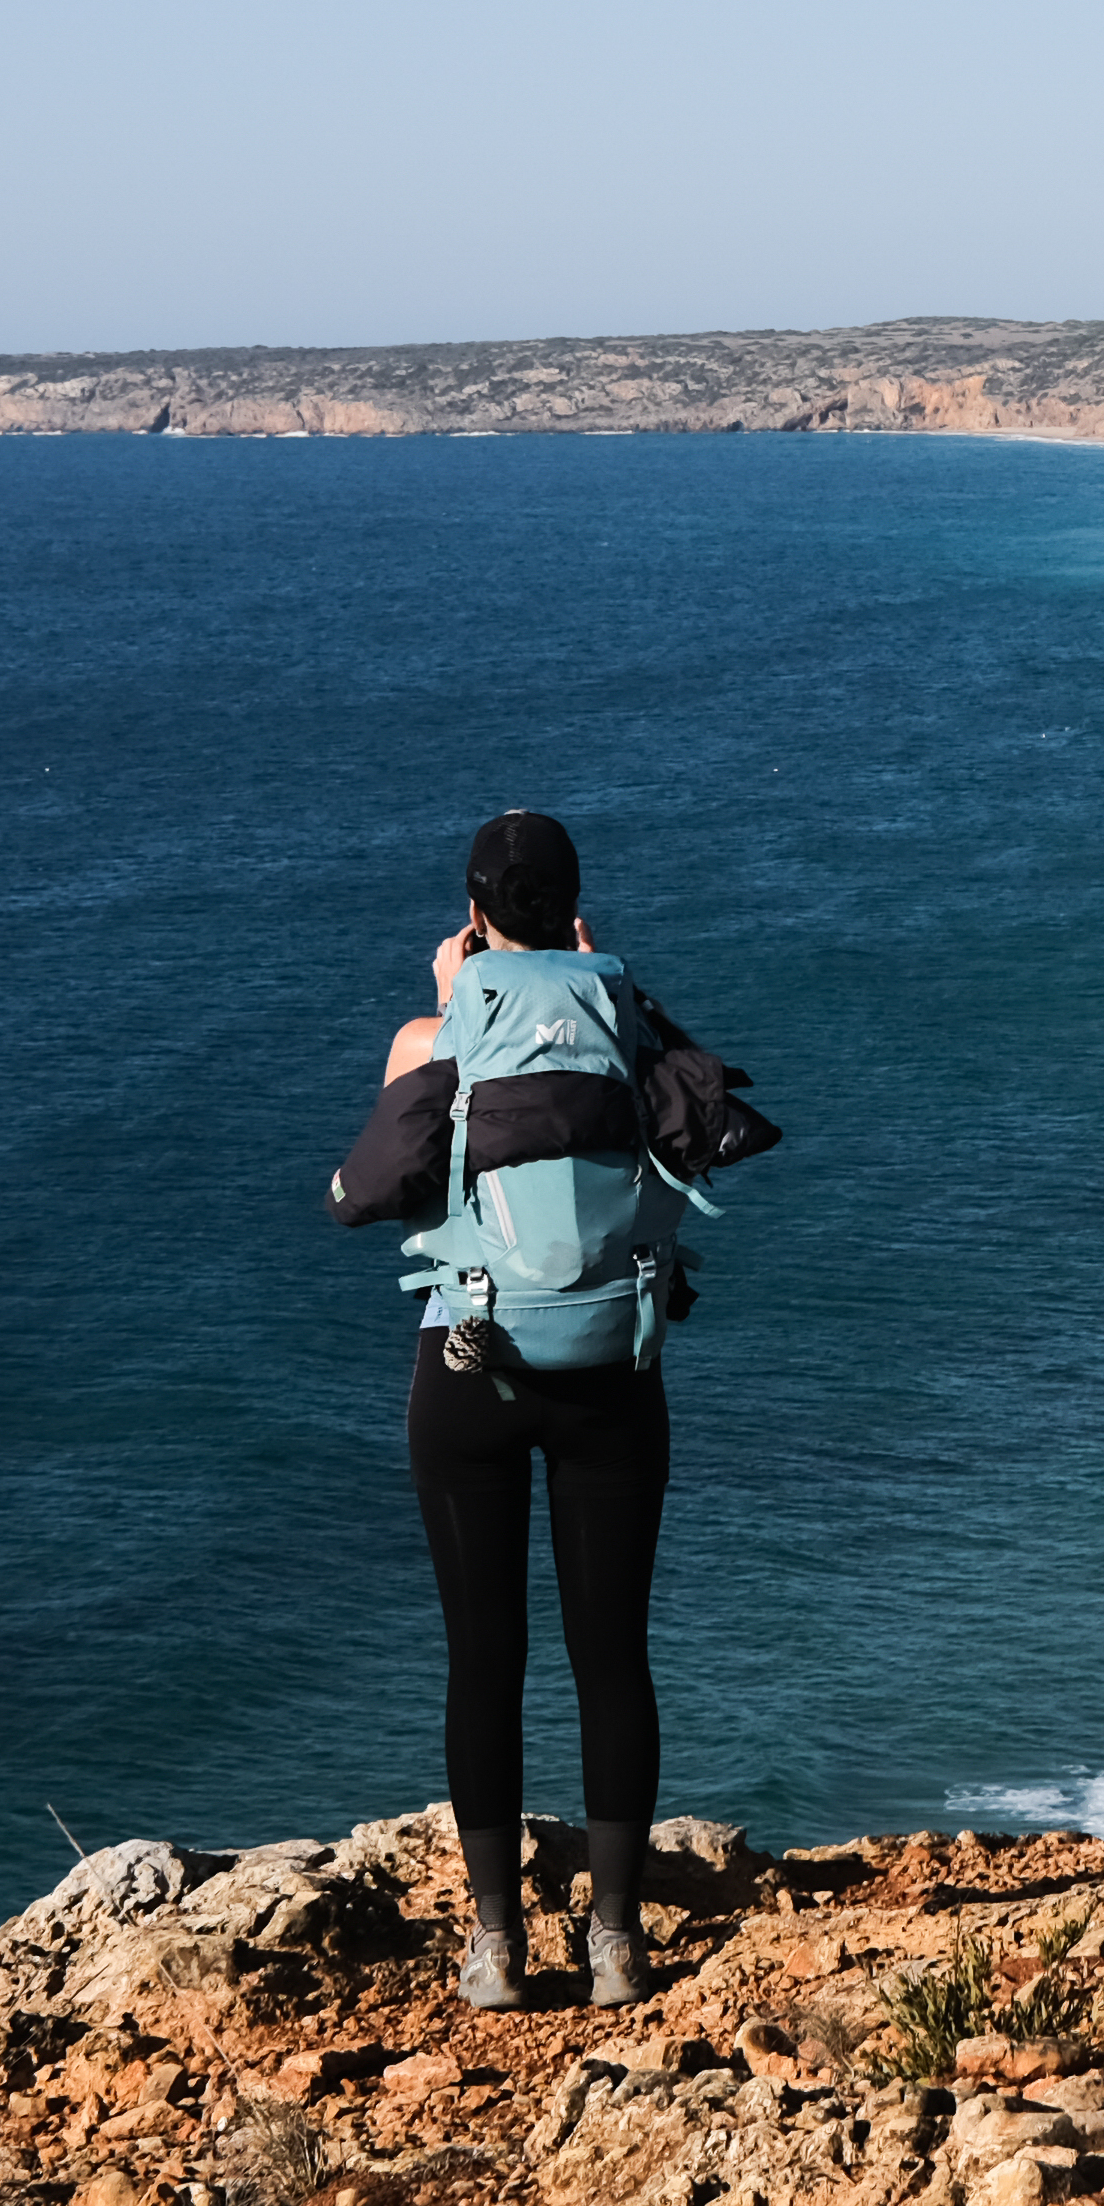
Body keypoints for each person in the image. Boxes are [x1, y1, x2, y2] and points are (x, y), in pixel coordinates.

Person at [326, 808, 713, 2012]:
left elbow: (370, 1190)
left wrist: (459, 1004)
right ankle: (615, 1941)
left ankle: (495, 1944)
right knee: (614, 1658)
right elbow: (694, 1135)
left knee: (483, 1657)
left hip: (468, 1368)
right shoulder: (628, 1017)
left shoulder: (427, 1036)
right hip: (613, 1363)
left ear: (475, 910)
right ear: (578, 909)